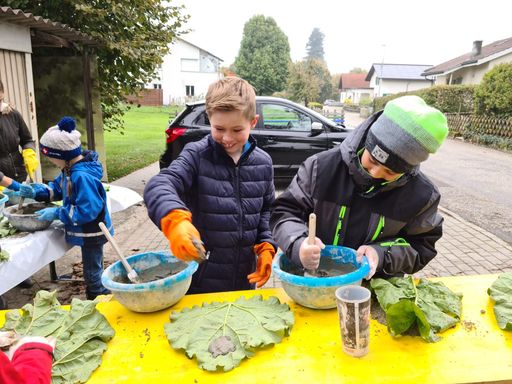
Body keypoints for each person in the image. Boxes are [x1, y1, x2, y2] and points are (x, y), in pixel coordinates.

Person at [270, 96, 448, 280]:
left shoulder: (422, 196)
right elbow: (284, 212)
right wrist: (299, 244)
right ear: (367, 142)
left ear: (407, 170)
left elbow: (421, 246)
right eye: (372, 161)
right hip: (319, 284)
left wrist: (380, 255)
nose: (376, 173)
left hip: (376, 289)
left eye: (390, 171)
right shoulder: (320, 168)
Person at [144, 77, 276, 294]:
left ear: (253, 122)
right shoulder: (196, 155)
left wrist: (266, 246)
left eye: (237, 130)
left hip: (244, 282)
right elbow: (160, 183)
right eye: (219, 128)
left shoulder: (263, 162)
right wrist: (175, 220)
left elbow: (266, 211)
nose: (227, 138)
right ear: (209, 119)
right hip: (200, 284)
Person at [19, 117, 112, 300]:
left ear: (61, 155)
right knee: (91, 271)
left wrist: (57, 212)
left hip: (93, 231)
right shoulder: (70, 169)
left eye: (51, 156)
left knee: (93, 274)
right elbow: (56, 189)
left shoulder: (81, 175)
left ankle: (101, 301)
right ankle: (97, 298)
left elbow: (88, 211)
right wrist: (35, 191)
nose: (51, 160)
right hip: (87, 230)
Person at [0, 79, 40, 309]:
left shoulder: (11, 113)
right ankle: (2, 285)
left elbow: (27, 137)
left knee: (19, 230)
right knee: (2, 233)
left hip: (17, 174)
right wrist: (9, 185)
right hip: (2, 183)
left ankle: (20, 272)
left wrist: (29, 152)